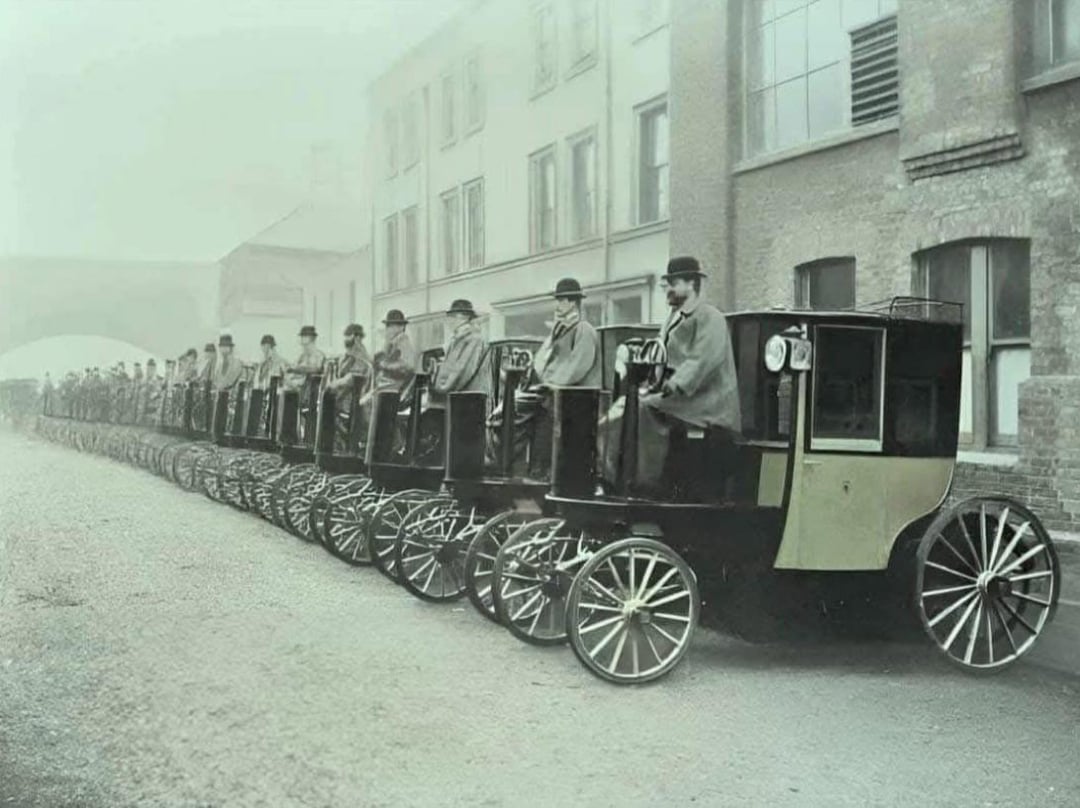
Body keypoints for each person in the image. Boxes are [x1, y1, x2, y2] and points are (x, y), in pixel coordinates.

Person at [600, 256, 741, 496]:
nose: (668, 289)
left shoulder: (711, 318)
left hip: (707, 407)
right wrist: (648, 380)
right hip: (681, 401)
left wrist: (671, 386)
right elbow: (659, 354)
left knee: (641, 409)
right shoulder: (674, 318)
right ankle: (611, 476)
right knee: (626, 406)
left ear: (691, 284)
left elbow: (702, 361)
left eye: (674, 283)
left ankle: (642, 482)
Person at [489, 278, 601, 477]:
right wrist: (530, 377)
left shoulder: (584, 330)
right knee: (504, 413)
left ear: (572, 302)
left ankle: (528, 470)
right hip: (549, 394)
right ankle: (513, 467)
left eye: (561, 300)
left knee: (514, 411)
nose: (557, 305)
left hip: (572, 400)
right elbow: (542, 360)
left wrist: (547, 385)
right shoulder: (559, 330)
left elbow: (576, 368)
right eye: (557, 300)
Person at [327, 323, 373, 453]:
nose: (346, 339)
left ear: (357, 338)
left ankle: (345, 448)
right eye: (345, 336)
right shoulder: (347, 355)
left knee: (328, 407)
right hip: (344, 397)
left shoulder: (361, 356)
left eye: (349, 336)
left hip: (355, 399)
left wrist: (335, 384)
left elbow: (353, 378)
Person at [373, 309, 417, 394]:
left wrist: (387, 366)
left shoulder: (403, 342)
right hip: (389, 383)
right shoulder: (391, 343)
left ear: (401, 327)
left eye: (392, 326)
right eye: (388, 326)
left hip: (397, 385)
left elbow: (409, 364)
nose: (389, 329)